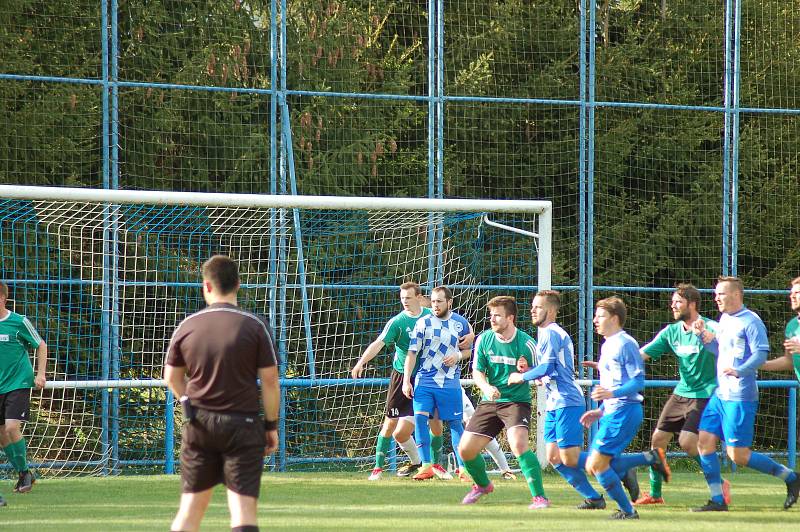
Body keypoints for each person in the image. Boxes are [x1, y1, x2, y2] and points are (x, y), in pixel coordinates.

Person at [164, 255, 279, 532]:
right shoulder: (256, 325)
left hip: (200, 424)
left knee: (190, 511)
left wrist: (188, 402)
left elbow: (171, 377)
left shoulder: (187, 326)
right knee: (242, 512)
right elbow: (270, 380)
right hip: (243, 424)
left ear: (206, 286)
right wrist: (271, 426)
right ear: (238, 284)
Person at [692, 276, 800, 512]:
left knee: (738, 455)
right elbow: (718, 351)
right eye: (716, 293)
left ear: (736, 295)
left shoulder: (751, 321)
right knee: (704, 442)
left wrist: (741, 370)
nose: (716, 297)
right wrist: (702, 336)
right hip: (721, 394)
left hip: (740, 396)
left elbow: (761, 354)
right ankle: (717, 500)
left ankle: (791, 477)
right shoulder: (724, 320)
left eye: (721, 293)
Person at [634, 284, 730, 506]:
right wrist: (611, 362)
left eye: (678, 302)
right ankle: (656, 494)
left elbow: (725, 347)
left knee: (688, 443)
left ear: (692, 304)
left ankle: (718, 482)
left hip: (706, 393)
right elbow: (642, 354)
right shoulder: (671, 331)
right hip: (681, 393)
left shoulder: (712, 327)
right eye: (673, 302)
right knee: (657, 439)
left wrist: (706, 336)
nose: (673, 305)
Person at [508, 290, 605, 509]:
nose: (532, 310)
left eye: (538, 307)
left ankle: (616, 463)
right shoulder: (544, 334)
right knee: (554, 457)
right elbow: (550, 371)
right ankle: (594, 498)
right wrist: (534, 372)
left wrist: (521, 376)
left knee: (569, 456)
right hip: (554, 402)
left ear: (550, 311)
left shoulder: (552, 332)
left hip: (567, 400)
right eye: (533, 306)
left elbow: (548, 367)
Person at [580, 297, 670, 520]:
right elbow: (616, 381)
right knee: (598, 465)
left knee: (597, 465)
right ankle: (650, 459)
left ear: (615, 318)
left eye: (600, 316)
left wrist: (611, 395)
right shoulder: (608, 344)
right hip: (613, 411)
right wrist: (601, 409)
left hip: (625, 410)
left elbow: (637, 382)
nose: (595, 320)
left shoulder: (625, 343)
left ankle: (629, 510)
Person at [458, 296, 549, 508]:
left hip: (516, 401)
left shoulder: (527, 343)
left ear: (510, 317)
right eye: (491, 315)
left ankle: (540, 497)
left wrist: (528, 373)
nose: (492, 319)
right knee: (465, 450)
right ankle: (482, 485)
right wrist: (487, 388)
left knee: (518, 444)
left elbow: (543, 374)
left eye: (497, 315)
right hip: (490, 401)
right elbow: (477, 372)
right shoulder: (484, 339)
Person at [350, 282, 442, 480]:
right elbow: (378, 344)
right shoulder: (398, 322)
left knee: (435, 421)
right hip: (402, 376)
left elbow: (455, 325)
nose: (405, 302)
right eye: (402, 298)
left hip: (427, 376)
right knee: (394, 428)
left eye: (408, 298)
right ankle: (379, 468)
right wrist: (361, 363)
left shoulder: (431, 317)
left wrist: (468, 337)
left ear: (418, 297)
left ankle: (435, 465)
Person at [402, 286, 472, 481]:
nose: (435, 305)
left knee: (455, 424)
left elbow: (468, 351)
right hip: (425, 381)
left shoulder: (460, 324)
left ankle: (463, 468)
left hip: (449, 382)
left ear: (449, 302)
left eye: (439, 301)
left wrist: (457, 355)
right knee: (420, 419)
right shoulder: (422, 323)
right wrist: (406, 380)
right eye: (433, 301)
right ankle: (426, 466)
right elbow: (412, 353)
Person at [0, 280, 47, 497]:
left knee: (11, 427)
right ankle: (24, 473)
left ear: (3, 298)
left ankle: (24, 474)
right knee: (2, 435)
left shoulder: (18, 322)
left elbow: (41, 345)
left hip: (18, 383)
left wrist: (40, 374)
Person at [762, 276, 800, 383]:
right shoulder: (792, 326)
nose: (792, 296)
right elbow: (789, 361)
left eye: (797, 292)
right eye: (791, 292)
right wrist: (759, 364)